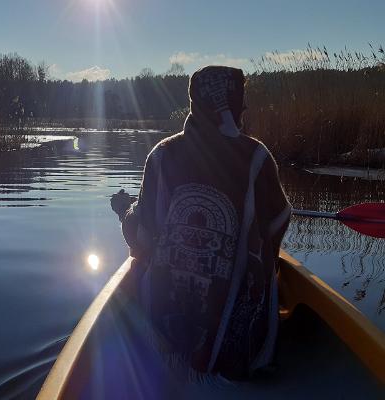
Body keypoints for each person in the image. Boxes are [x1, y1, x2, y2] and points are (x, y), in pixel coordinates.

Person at [111, 66, 291, 381]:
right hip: (241, 353)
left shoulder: (161, 156)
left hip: (165, 340)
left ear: (194, 106)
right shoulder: (258, 158)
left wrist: (126, 212)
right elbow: (277, 225)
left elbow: (141, 237)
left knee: (141, 264)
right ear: (235, 108)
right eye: (242, 106)